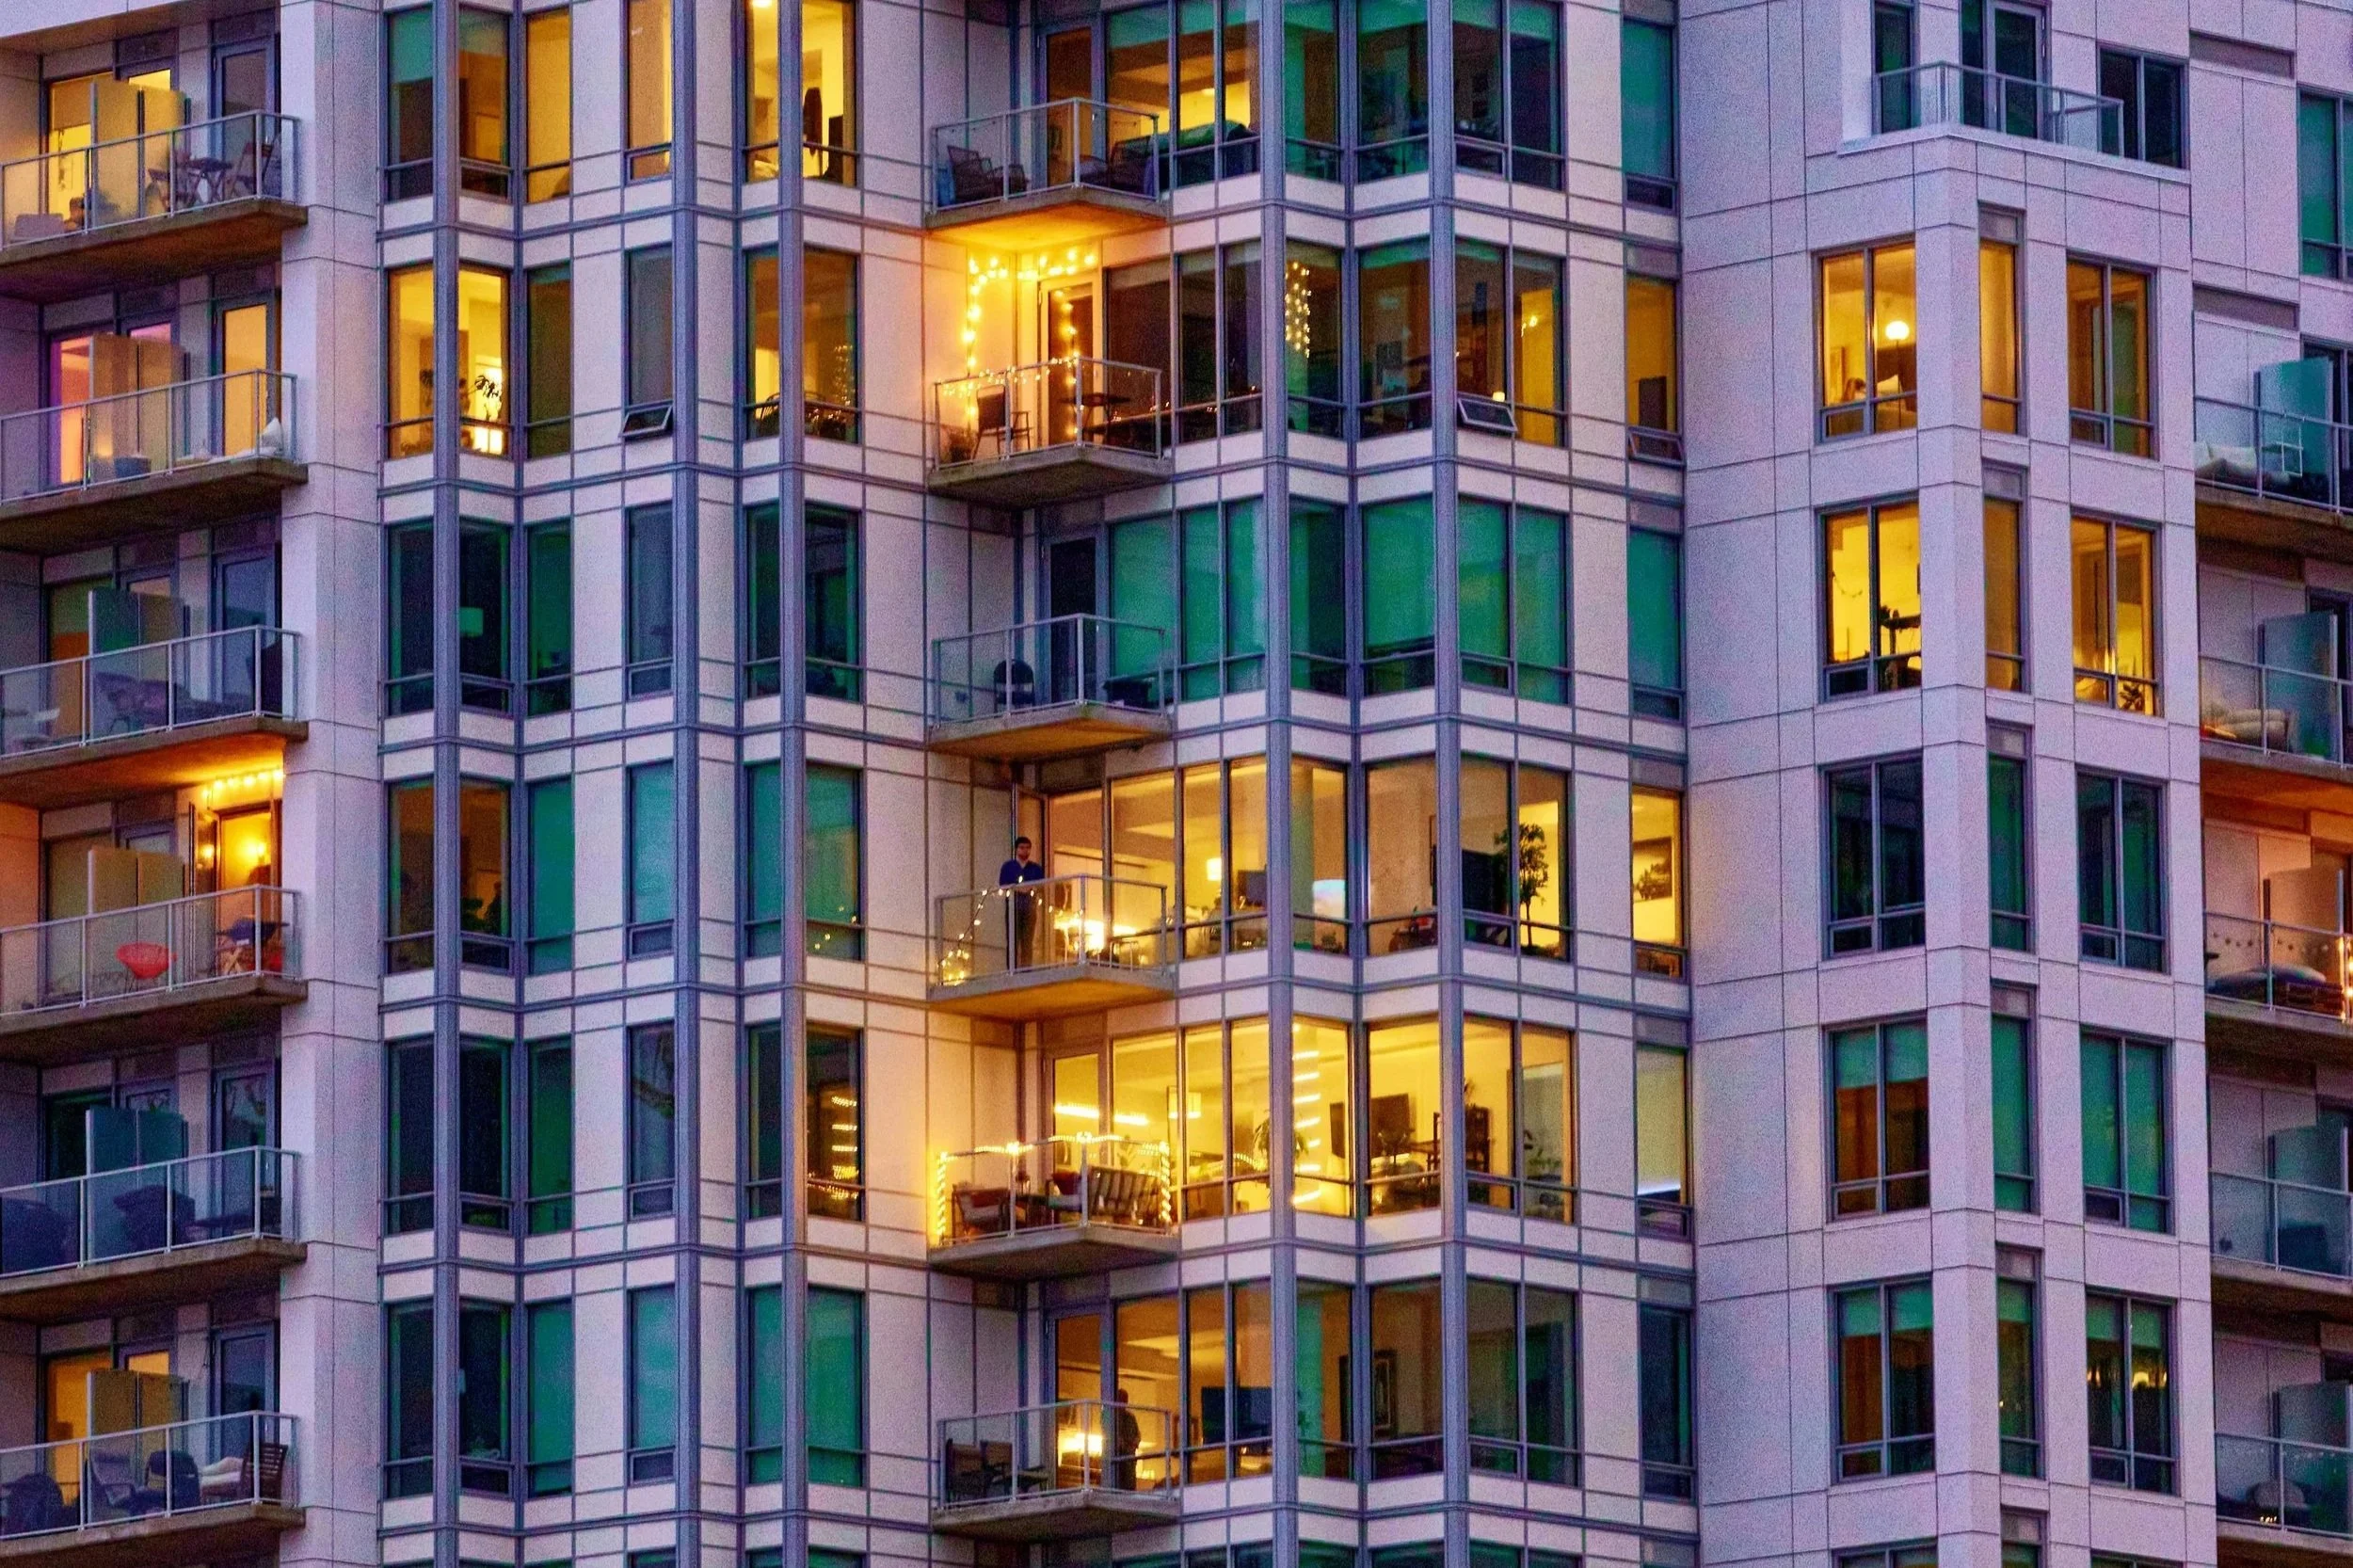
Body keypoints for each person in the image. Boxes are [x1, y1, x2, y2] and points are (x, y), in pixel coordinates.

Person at [999, 836, 1046, 968]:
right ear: (1016, 849)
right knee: (1012, 940)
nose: (1025, 851)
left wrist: (1029, 888)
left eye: (1027, 848)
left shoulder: (1035, 868)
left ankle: (1026, 969)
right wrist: (1018, 888)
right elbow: (1002, 885)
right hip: (1013, 906)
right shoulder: (1008, 867)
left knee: (1027, 941)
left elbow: (1041, 885)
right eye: (1022, 848)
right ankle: (1011, 970)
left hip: (1029, 907)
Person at [1106, 1386, 1142, 1491]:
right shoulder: (1109, 1416)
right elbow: (1109, 1434)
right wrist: (1122, 1444)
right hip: (1117, 1459)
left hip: (1130, 1459)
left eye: (1125, 1400)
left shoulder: (1131, 1417)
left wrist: (1134, 1443)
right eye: (1121, 1400)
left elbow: (1138, 1434)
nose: (1124, 1403)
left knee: (1130, 1484)